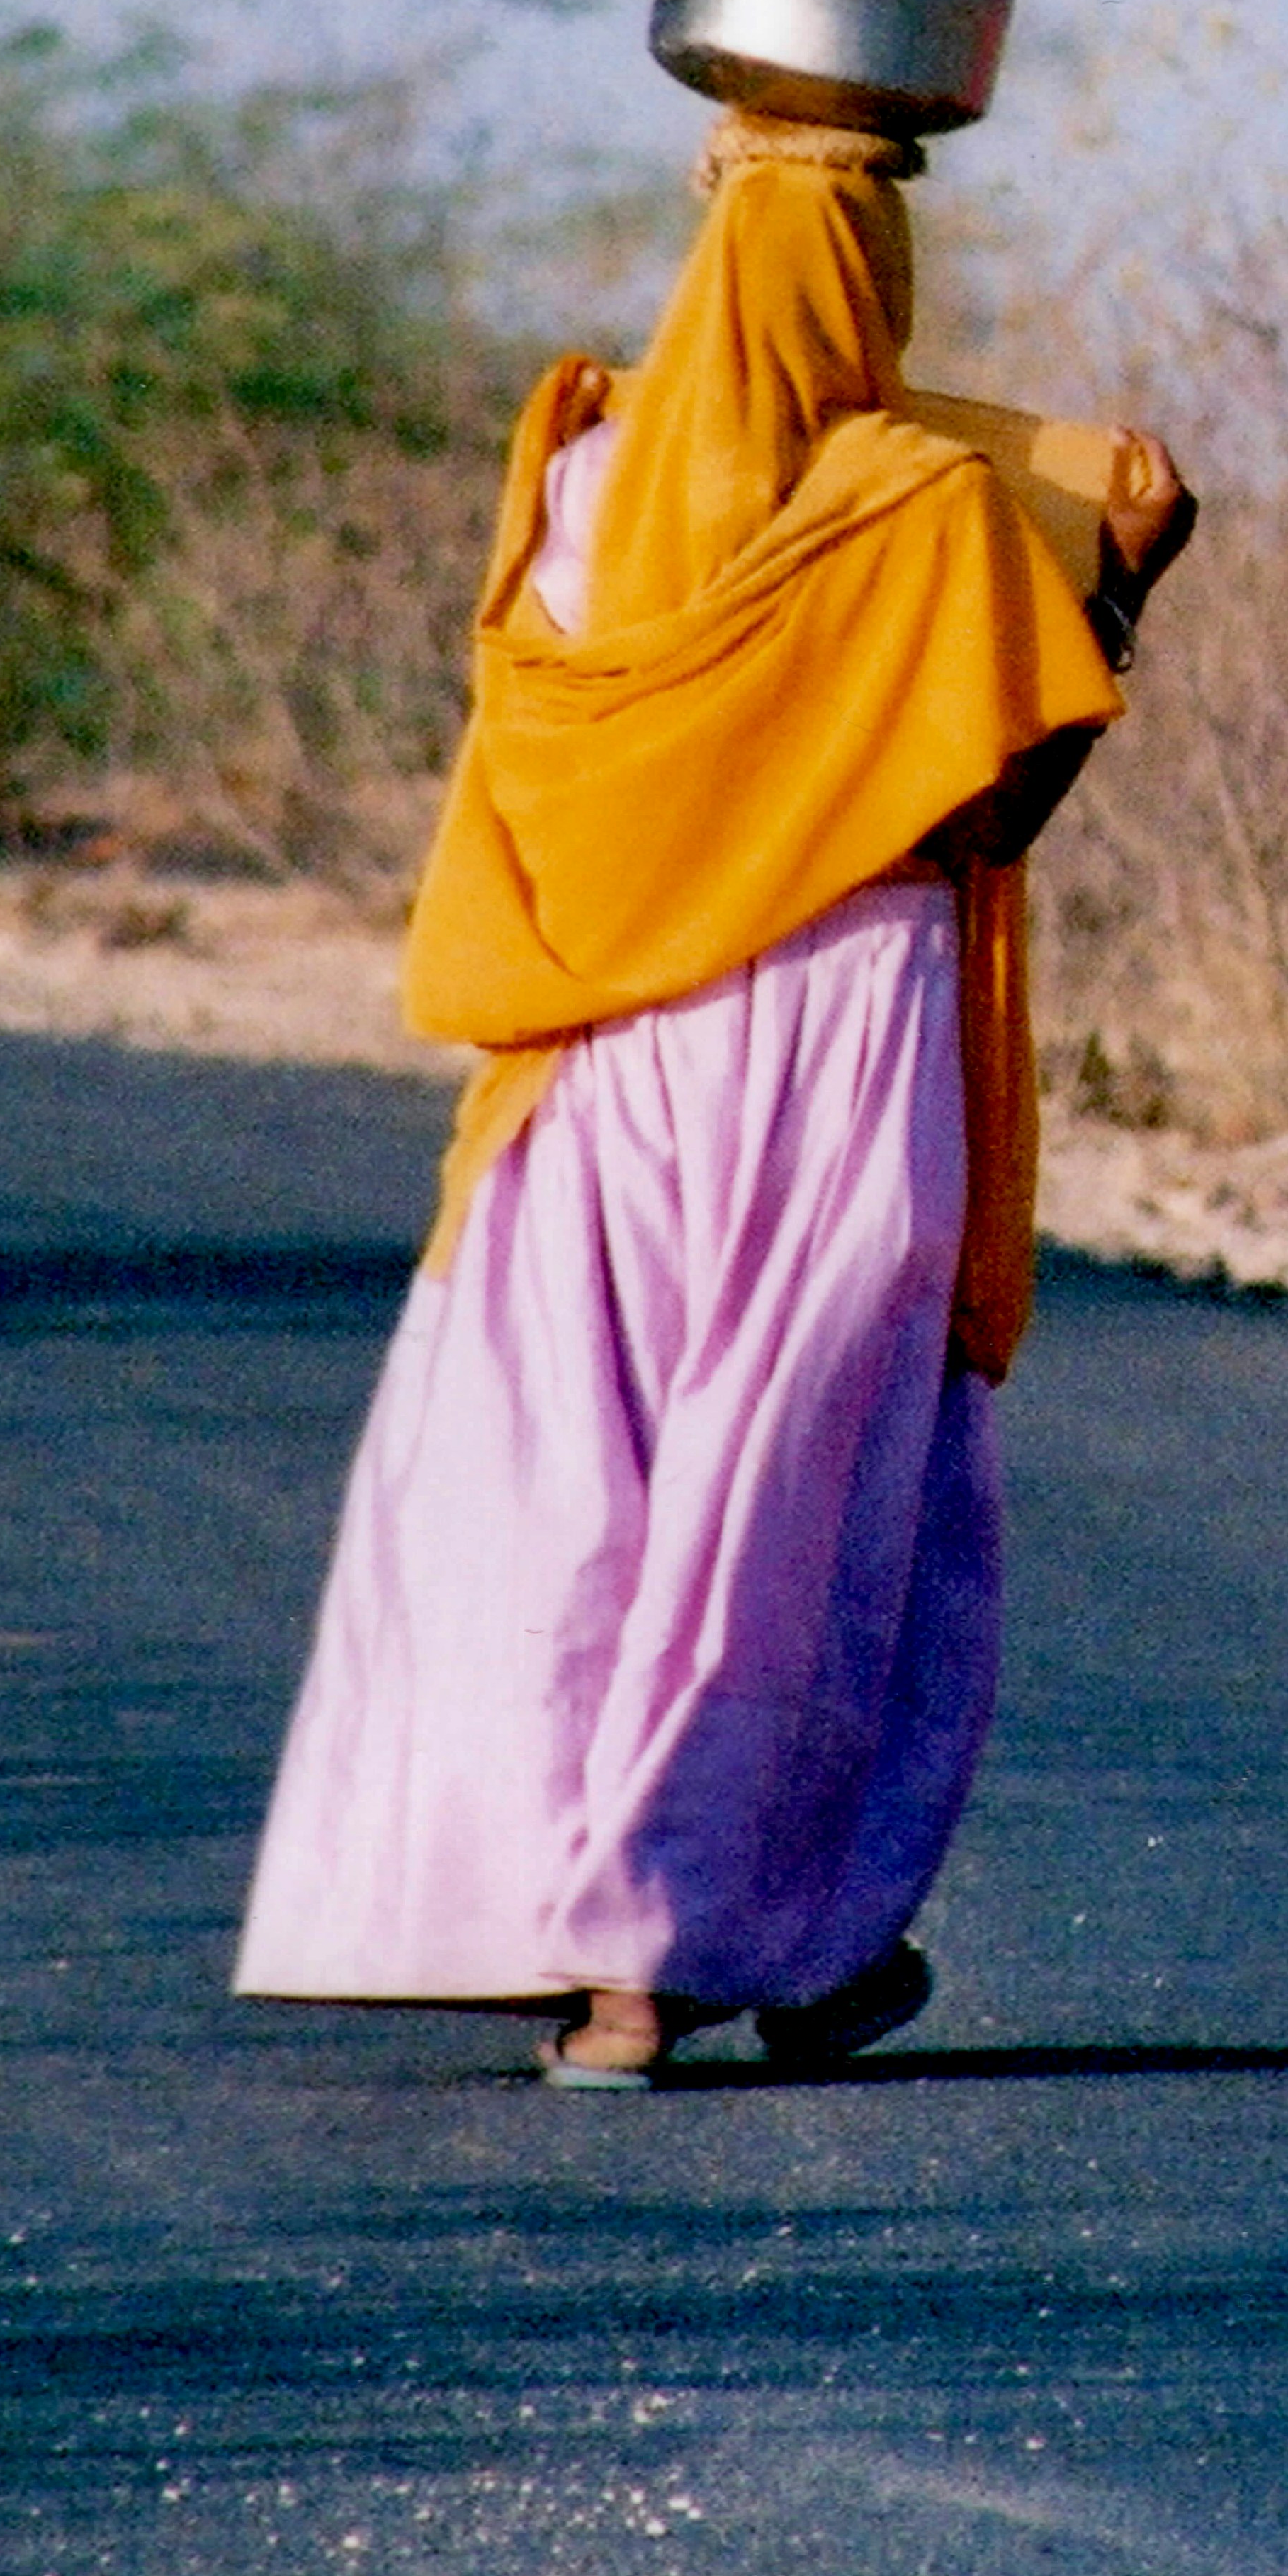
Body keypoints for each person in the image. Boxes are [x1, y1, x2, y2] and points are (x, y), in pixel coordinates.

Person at [235, 108, 1189, 2084]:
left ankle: (634, 1939)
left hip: (613, 1052)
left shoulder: (579, 479)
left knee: (574, 1489)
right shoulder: (923, 508)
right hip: (842, 1046)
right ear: (870, 278)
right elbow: (994, 804)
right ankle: (681, 1947)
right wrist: (1117, 601)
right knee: (785, 1500)